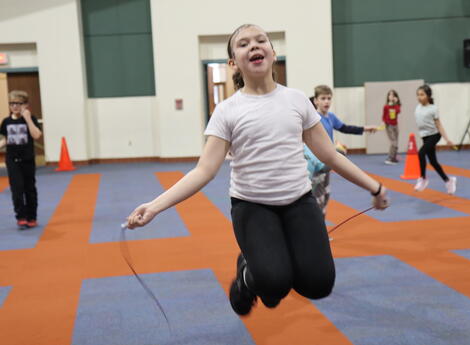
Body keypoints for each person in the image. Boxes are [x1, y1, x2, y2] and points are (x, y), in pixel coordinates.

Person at [126, 24, 389, 316]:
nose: (254, 46)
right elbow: (204, 171)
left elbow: (329, 155)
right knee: (273, 286)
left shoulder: (297, 100)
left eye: (261, 40)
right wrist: (154, 206)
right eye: (243, 44)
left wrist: (374, 187)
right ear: (233, 62)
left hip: (299, 202)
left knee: (319, 285)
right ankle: (246, 276)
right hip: (252, 207)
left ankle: (270, 268)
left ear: (273, 53)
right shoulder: (228, 111)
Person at [304, 86, 377, 214]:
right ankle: (317, 232)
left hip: (328, 162)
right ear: (316, 101)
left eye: (329, 98)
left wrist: (365, 128)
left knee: (325, 196)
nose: (326, 101)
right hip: (316, 163)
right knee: (316, 198)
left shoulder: (331, 117)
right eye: (323, 98)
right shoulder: (313, 118)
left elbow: (345, 128)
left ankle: (322, 232)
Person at [0, 90, 43, 229]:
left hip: (28, 159)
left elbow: (36, 135)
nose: (14, 106)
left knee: (29, 189)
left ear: (25, 105)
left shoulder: (31, 118)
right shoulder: (6, 122)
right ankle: (21, 217)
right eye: (12, 103)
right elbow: (6, 140)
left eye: (18, 103)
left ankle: (32, 217)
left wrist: (28, 118)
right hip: (12, 160)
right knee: (17, 189)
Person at [413, 85, 456, 194]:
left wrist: (447, 139)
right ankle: (448, 180)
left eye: (422, 94)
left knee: (421, 153)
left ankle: (423, 178)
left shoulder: (433, 108)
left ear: (428, 96)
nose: (419, 97)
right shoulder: (418, 107)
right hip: (425, 137)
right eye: (418, 94)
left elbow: (439, 125)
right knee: (433, 162)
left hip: (434, 135)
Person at [382, 90, 401, 165]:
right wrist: (384, 123)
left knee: (396, 141)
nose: (391, 97)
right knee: (394, 142)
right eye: (389, 95)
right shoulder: (386, 106)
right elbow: (383, 116)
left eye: (393, 95)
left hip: (395, 125)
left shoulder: (396, 105)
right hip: (388, 125)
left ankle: (394, 158)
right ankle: (390, 158)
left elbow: (398, 111)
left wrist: (396, 103)